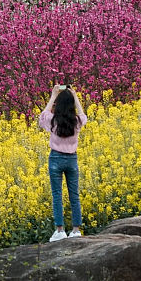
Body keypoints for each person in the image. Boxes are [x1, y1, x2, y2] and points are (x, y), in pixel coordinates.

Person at [38, 84, 88, 241]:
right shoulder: (77, 122)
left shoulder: (53, 121)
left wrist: (53, 96)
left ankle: (60, 231)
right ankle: (76, 230)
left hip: (56, 159)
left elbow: (43, 115)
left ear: (57, 105)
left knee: (57, 195)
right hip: (72, 159)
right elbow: (83, 114)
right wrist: (76, 97)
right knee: (74, 196)